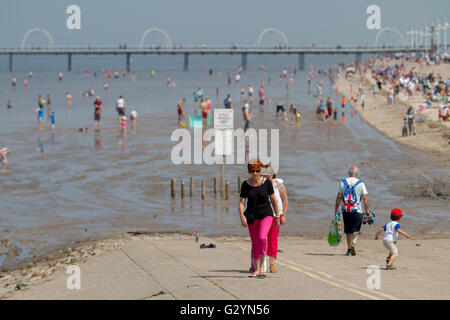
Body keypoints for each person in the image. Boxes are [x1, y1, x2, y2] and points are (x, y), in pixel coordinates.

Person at [239, 159, 279, 278]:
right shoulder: (245, 184)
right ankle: (256, 269)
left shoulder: (267, 183)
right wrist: (242, 216)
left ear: (260, 170)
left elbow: (273, 200)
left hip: (266, 214)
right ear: (249, 171)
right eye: (253, 171)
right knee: (255, 242)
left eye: (257, 170)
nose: (255, 173)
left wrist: (277, 215)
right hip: (252, 216)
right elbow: (242, 202)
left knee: (262, 238)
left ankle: (262, 267)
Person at [334, 166, 369, 256]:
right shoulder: (361, 183)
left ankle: (349, 249)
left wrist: (336, 209)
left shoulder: (343, 182)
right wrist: (367, 210)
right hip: (357, 210)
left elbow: (339, 196)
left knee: (348, 231)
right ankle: (354, 243)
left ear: (349, 174)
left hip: (346, 210)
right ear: (356, 174)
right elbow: (365, 198)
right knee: (356, 230)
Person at [262, 165, 288, 273]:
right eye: (265, 172)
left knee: (273, 239)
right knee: (261, 239)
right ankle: (257, 263)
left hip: (276, 215)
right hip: (262, 215)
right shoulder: (259, 182)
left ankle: (272, 264)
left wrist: (283, 216)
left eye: (269, 172)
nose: (267, 174)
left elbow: (285, 200)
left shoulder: (278, 183)